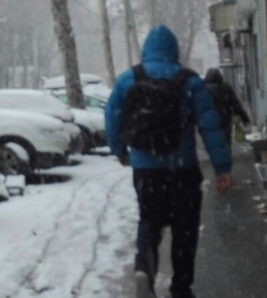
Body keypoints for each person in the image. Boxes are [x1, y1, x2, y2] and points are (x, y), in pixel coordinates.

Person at [105, 25, 232, 298]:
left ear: (146, 49)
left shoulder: (129, 79)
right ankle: (181, 287)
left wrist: (120, 151)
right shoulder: (190, 81)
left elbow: (112, 116)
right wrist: (222, 167)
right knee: (184, 229)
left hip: (145, 169)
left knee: (149, 220)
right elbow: (210, 126)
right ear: (174, 50)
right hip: (182, 168)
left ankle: (144, 269)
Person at [204, 68, 251, 147]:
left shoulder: (204, 89)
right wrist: (245, 118)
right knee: (225, 139)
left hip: (209, 119)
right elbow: (235, 104)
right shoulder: (226, 87)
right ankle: (226, 154)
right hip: (224, 117)